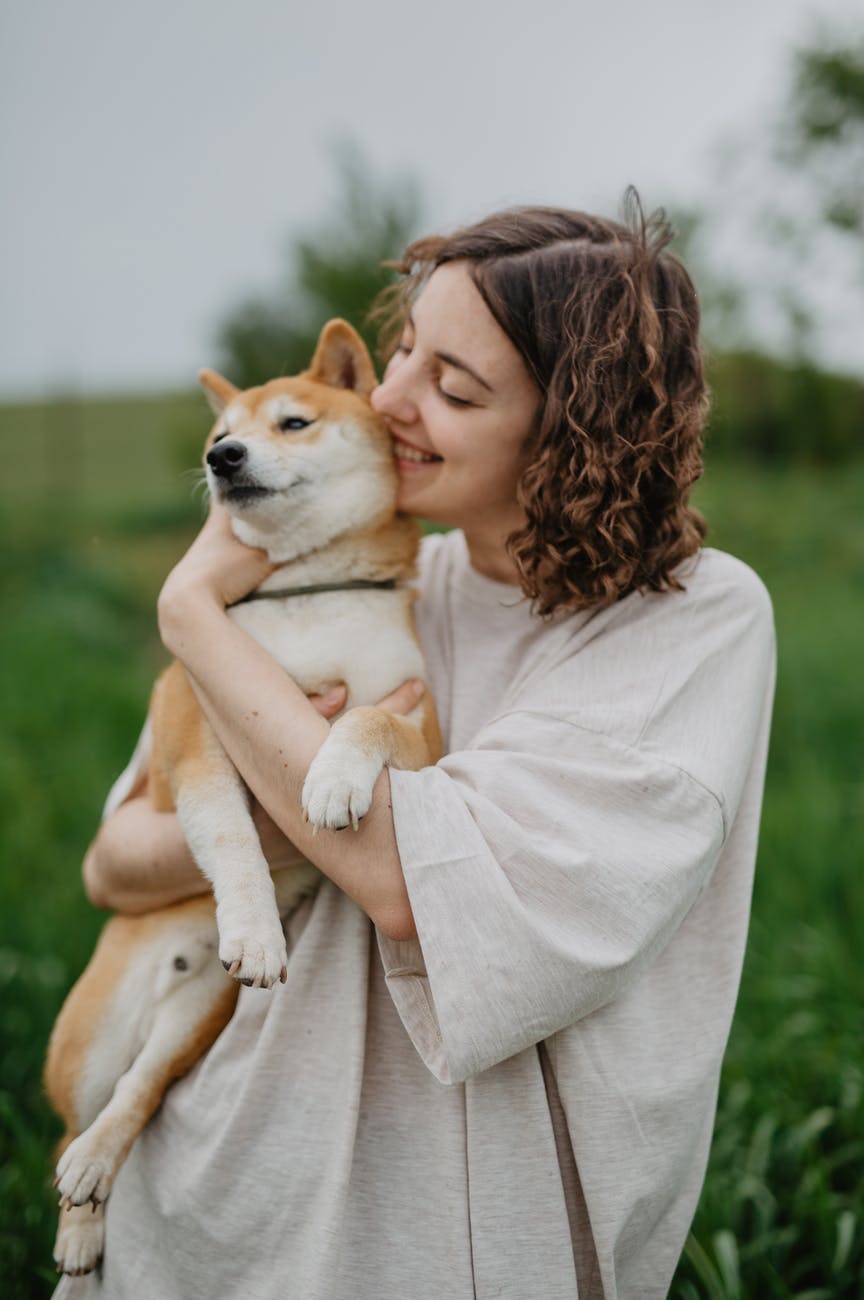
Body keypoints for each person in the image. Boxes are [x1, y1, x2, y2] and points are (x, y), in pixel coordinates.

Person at [56, 194, 775, 1300]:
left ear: (572, 432)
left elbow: (406, 882)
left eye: (454, 386)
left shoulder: (690, 626)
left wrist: (194, 609)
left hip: (444, 1244)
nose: (387, 401)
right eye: (403, 351)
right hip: (210, 1195)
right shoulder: (367, 574)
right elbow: (116, 860)